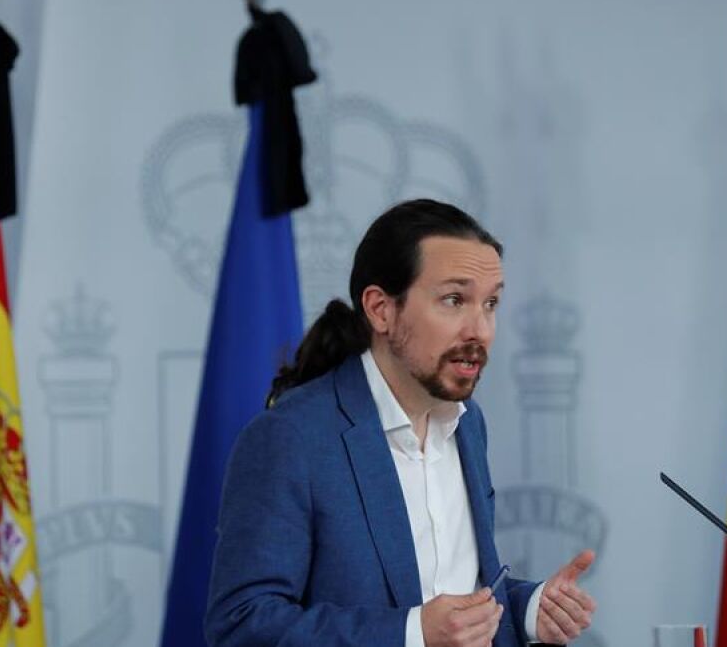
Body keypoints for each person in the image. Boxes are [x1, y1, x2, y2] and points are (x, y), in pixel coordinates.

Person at [205, 199, 597, 646]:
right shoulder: (290, 438)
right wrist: (412, 634)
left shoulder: (469, 424)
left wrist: (527, 609)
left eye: (490, 303)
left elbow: (451, 591)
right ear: (381, 310)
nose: (481, 330)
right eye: (454, 300)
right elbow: (242, 625)